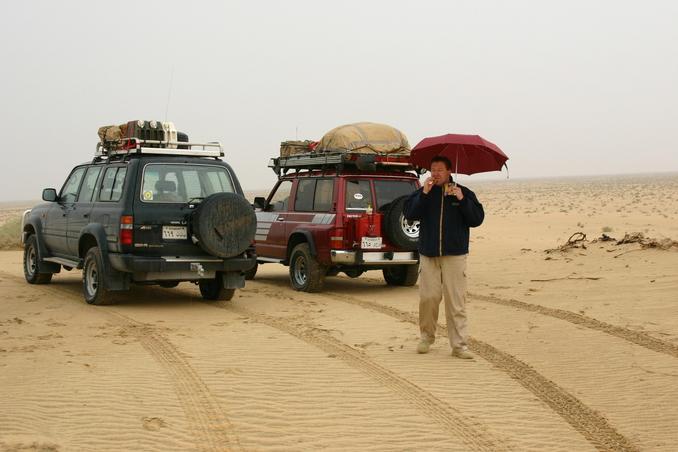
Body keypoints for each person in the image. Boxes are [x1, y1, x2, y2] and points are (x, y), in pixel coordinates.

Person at [404, 155, 484, 359]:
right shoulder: (423, 193)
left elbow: (476, 219)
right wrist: (423, 193)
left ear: (449, 171)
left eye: (440, 170)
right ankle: (426, 337)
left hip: (455, 255)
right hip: (428, 253)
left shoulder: (463, 192)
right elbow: (410, 214)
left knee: (456, 301)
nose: (436, 174)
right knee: (428, 298)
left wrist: (461, 199)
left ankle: (459, 346)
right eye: (433, 169)